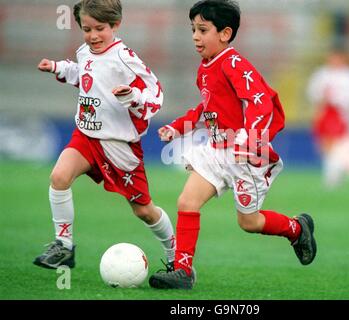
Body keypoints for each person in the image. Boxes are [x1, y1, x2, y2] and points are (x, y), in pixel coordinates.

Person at [149, 0, 317, 290]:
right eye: (193, 30)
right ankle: (183, 270)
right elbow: (206, 110)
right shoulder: (204, 69)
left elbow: (260, 102)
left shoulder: (234, 63)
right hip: (216, 152)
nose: (195, 36)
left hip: (244, 156)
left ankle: (297, 228)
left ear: (225, 34)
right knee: (187, 202)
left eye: (203, 29)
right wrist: (177, 128)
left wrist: (248, 141)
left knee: (248, 222)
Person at [33, 0, 176, 271]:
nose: (93, 36)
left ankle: (175, 255)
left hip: (119, 144)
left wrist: (133, 96)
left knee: (144, 210)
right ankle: (63, 246)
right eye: (86, 29)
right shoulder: (84, 51)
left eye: (100, 28)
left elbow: (155, 93)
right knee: (59, 177)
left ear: (115, 25)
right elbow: (84, 76)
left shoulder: (125, 58)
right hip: (86, 135)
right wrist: (58, 68)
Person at [307, 48, 349, 188]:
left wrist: (337, 99)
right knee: (324, 145)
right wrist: (321, 99)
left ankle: (333, 176)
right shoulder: (322, 73)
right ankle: (334, 172)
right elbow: (313, 92)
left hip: (339, 113)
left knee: (336, 144)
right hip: (324, 111)